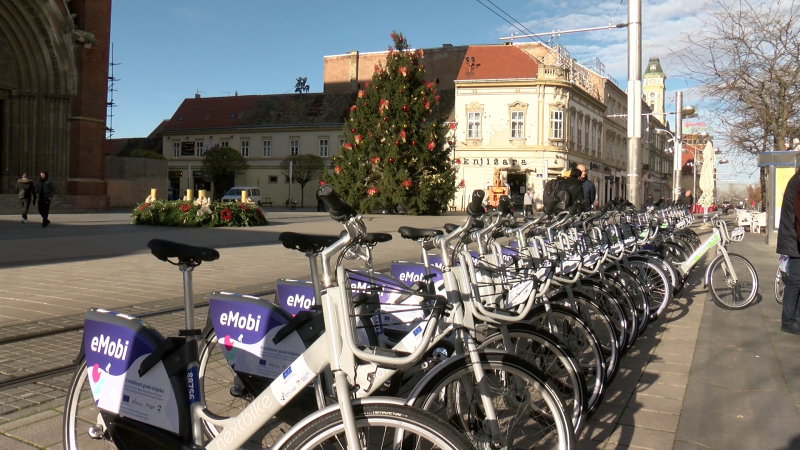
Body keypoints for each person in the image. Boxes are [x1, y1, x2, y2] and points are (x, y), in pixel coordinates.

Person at [776, 170, 800, 335]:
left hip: (793, 238)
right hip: (795, 240)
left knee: (797, 281)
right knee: (795, 281)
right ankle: (788, 321)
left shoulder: (796, 180)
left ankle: (794, 318)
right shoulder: (798, 182)